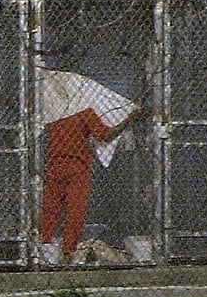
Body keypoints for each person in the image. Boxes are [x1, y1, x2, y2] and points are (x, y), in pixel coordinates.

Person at [40, 106, 139, 264]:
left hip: (54, 165)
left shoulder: (53, 112)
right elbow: (105, 135)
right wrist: (128, 120)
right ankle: (68, 251)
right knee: (75, 211)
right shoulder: (84, 112)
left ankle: (45, 248)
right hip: (77, 167)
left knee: (50, 210)